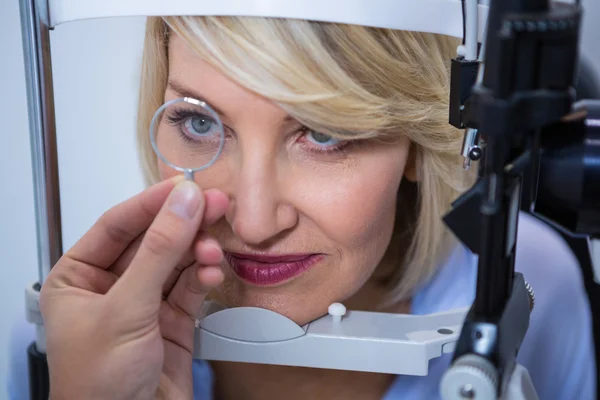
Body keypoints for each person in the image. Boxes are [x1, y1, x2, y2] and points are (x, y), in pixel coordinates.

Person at [8, 15, 597, 400]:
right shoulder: (73, 335)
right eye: (199, 121)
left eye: (322, 133)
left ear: (420, 142)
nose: (253, 222)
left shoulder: (531, 283)